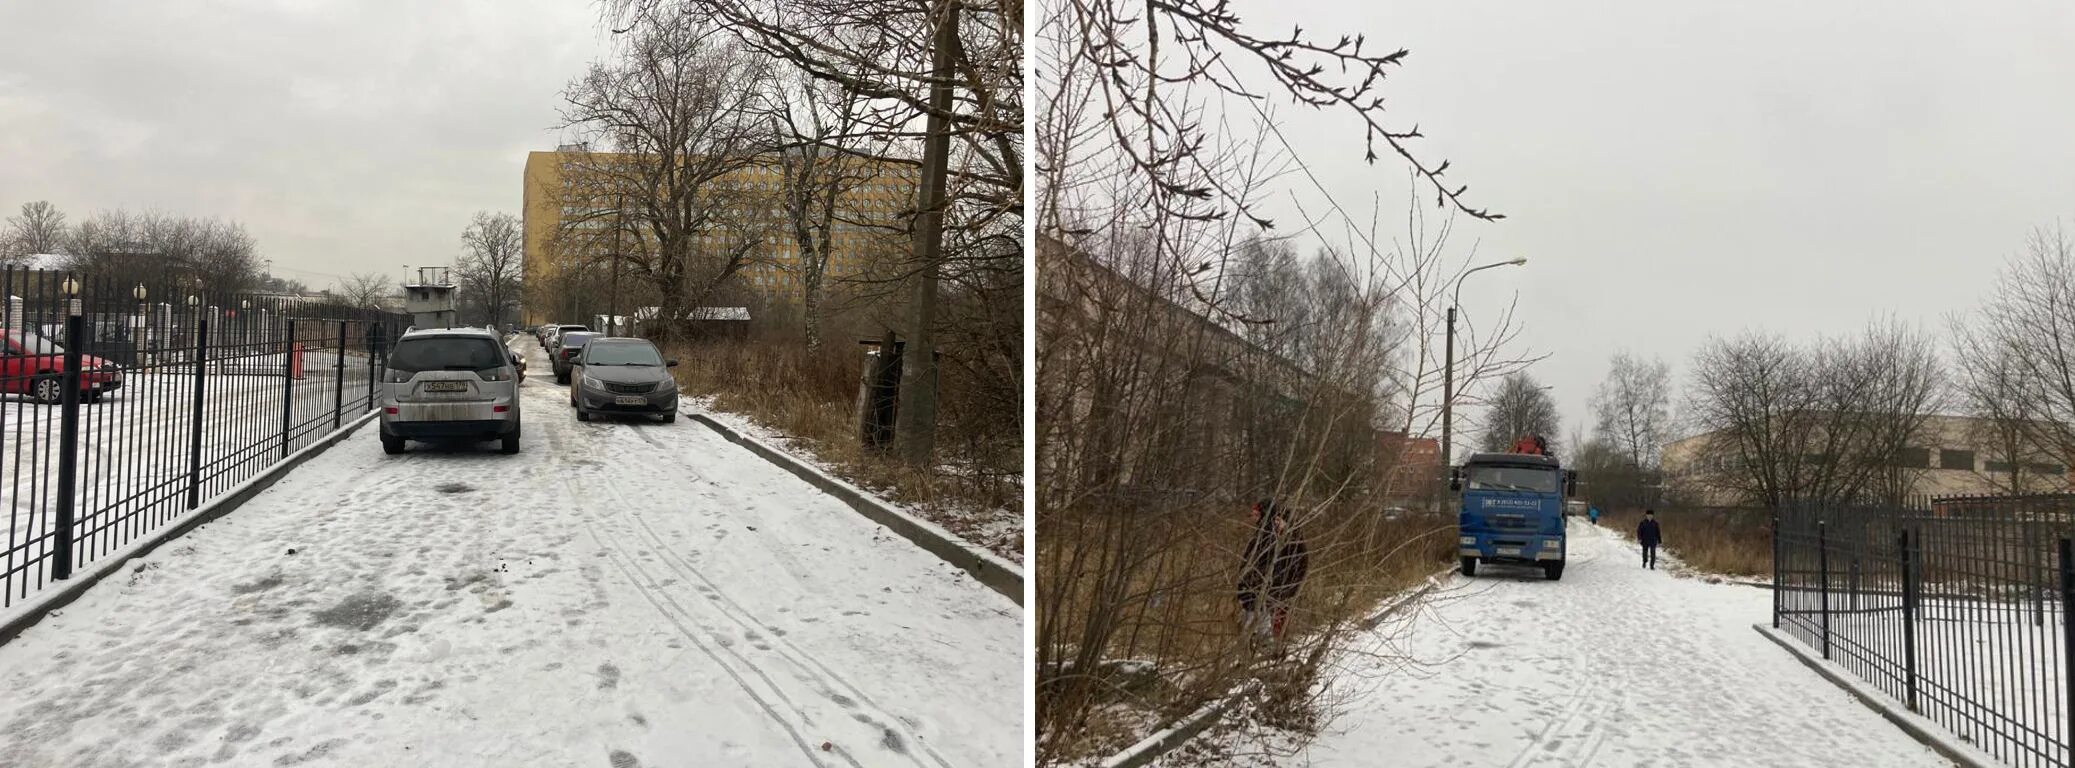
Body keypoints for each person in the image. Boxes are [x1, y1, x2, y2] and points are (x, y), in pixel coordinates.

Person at [1237, 499, 1309, 647]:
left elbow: (1293, 564)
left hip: (1280, 586)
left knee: (1274, 618)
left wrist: (1281, 586)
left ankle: (1272, 647)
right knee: (1259, 613)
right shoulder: (1265, 534)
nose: (1277, 523)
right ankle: (1262, 644)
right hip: (1271, 586)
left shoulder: (1288, 539)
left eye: (1279, 521)